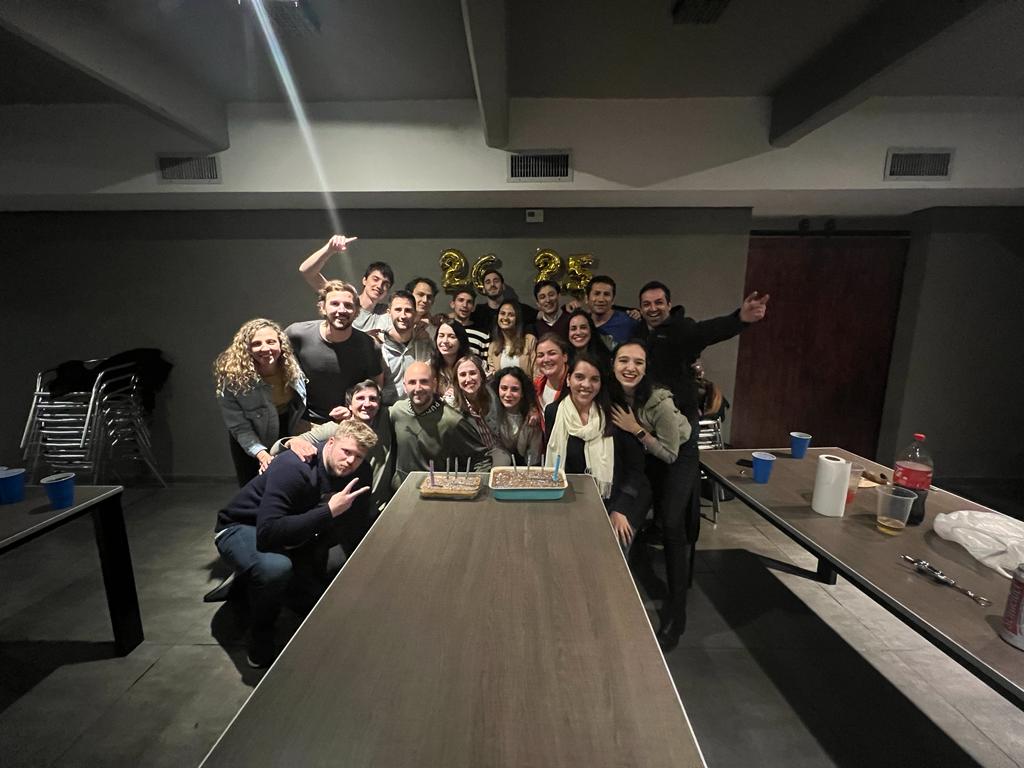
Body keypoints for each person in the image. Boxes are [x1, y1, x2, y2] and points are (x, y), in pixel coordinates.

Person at [213, 419, 377, 667]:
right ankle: (260, 637)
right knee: (275, 568)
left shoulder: (357, 471)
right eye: (346, 451)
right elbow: (267, 533)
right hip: (242, 526)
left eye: (358, 456)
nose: (351, 461)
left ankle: (254, 583)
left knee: (323, 594)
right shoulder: (295, 466)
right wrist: (328, 512)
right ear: (330, 443)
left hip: (292, 532)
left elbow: (351, 526)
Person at [608, 341, 693, 652]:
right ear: (613, 364)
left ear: (646, 368)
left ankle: (678, 613)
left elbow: (670, 453)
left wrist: (636, 429)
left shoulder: (659, 402)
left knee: (671, 525)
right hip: (647, 455)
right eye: (624, 361)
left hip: (676, 454)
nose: (631, 368)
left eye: (638, 363)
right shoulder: (614, 394)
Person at [543, 352, 650, 550]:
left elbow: (636, 470)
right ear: (568, 379)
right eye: (579, 377)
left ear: (601, 384)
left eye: (594, 379)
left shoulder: (616, 413)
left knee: (612, 546)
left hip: (619, 496)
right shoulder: (553, 412)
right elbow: (557, 461)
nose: (586, 385)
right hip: (576, 497)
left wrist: (620, 509)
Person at [273, 380, 395, 519]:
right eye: (360, 398)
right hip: (342, 510)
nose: (366, 404)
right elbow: (277, 448)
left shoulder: (387, 420)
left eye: (373, 399)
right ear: (349, 404)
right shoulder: (335, 429)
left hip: (380, 509)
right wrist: (292, 442)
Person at [214, 319, 308, 487]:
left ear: (280, 343)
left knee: (287, 488)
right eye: (256, 344)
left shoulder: (291, 367)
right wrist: (261, 453)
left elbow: (300, 406)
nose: (265, 348)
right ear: (246, 348)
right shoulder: (232, 380)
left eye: (271, 341)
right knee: (254, 491)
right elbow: (239, 427)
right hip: (250, 440)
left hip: (286, 432)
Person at [285, 280, 383, 423]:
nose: (341, 310)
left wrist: (352, 408)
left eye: (348, 305)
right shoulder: (296, 334)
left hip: (349, 422)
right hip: (304, 422)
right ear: (322, 307)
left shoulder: (368, 345)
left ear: (356, 311)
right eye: (335, 304)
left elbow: (377, 385)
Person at [389, 362, 493, 490]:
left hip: (438, 493)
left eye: (424, 382)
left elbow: (481, 460)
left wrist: (473, 492)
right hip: (402, 492)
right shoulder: (397, 412)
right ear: (404, 387)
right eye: (412, 382)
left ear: (434, 384)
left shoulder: (452, 420)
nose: (418, 388)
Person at [297, 235, 394, 333]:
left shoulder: (386, 312)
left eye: (385, 284)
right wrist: (329, 249)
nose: (379, 286)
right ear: (364, 280)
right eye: (375, 279)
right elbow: (307, 271)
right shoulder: (343, 298)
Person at [379, 290, 434, 405]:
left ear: (415, 314)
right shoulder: (378, 347)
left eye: (408, 310)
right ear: (389, 313)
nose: (403, 316)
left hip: (418, 412)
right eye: (398, 310)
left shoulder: (425, 348)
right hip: (386, 413)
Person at [452, 355, 503, 461]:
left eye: (473, 373)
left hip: (495, 449)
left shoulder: (492, 394)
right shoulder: (451, 405)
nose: (468, 379)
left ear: (481, 375)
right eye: (462, 375)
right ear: (457, 380)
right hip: (470, 456)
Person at [490, 366, 544, 465]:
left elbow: (533, 458)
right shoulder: (490, 413)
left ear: (522, 392)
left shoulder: (532, 419)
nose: (508, 394)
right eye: (504, 388)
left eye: (514, 389)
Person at [486, 299, 537, 378]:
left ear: (517, 318)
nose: (505, 318)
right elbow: (493, 379)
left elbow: (537, 373)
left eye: (511, 315)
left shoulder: (529, 340)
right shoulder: (493, 347)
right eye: (502, 313)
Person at [586, 275, 640, 346]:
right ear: (587, 298)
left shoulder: (629, 322)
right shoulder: (580, 323)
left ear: (613, 300)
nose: (601, 299)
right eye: (597, 294)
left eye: (606, 294)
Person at [432, 320, 472, 407]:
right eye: (441, 336)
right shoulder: (429, 367)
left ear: (461, 340)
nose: (445, 341)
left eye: (451, 336)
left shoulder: (472, 365)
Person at [449, 287, 490, 359]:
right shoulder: (444, 329)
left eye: (469, 302)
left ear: (473, 307)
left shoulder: (484, 335)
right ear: (452, 304)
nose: (465, 305)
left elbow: (485, 364)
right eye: (461, 300)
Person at [533, 333, 570, 411]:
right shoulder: (535, 387)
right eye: (540, 355)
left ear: (565, 357)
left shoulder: (574, 387)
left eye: (552, 353)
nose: (546, 359)